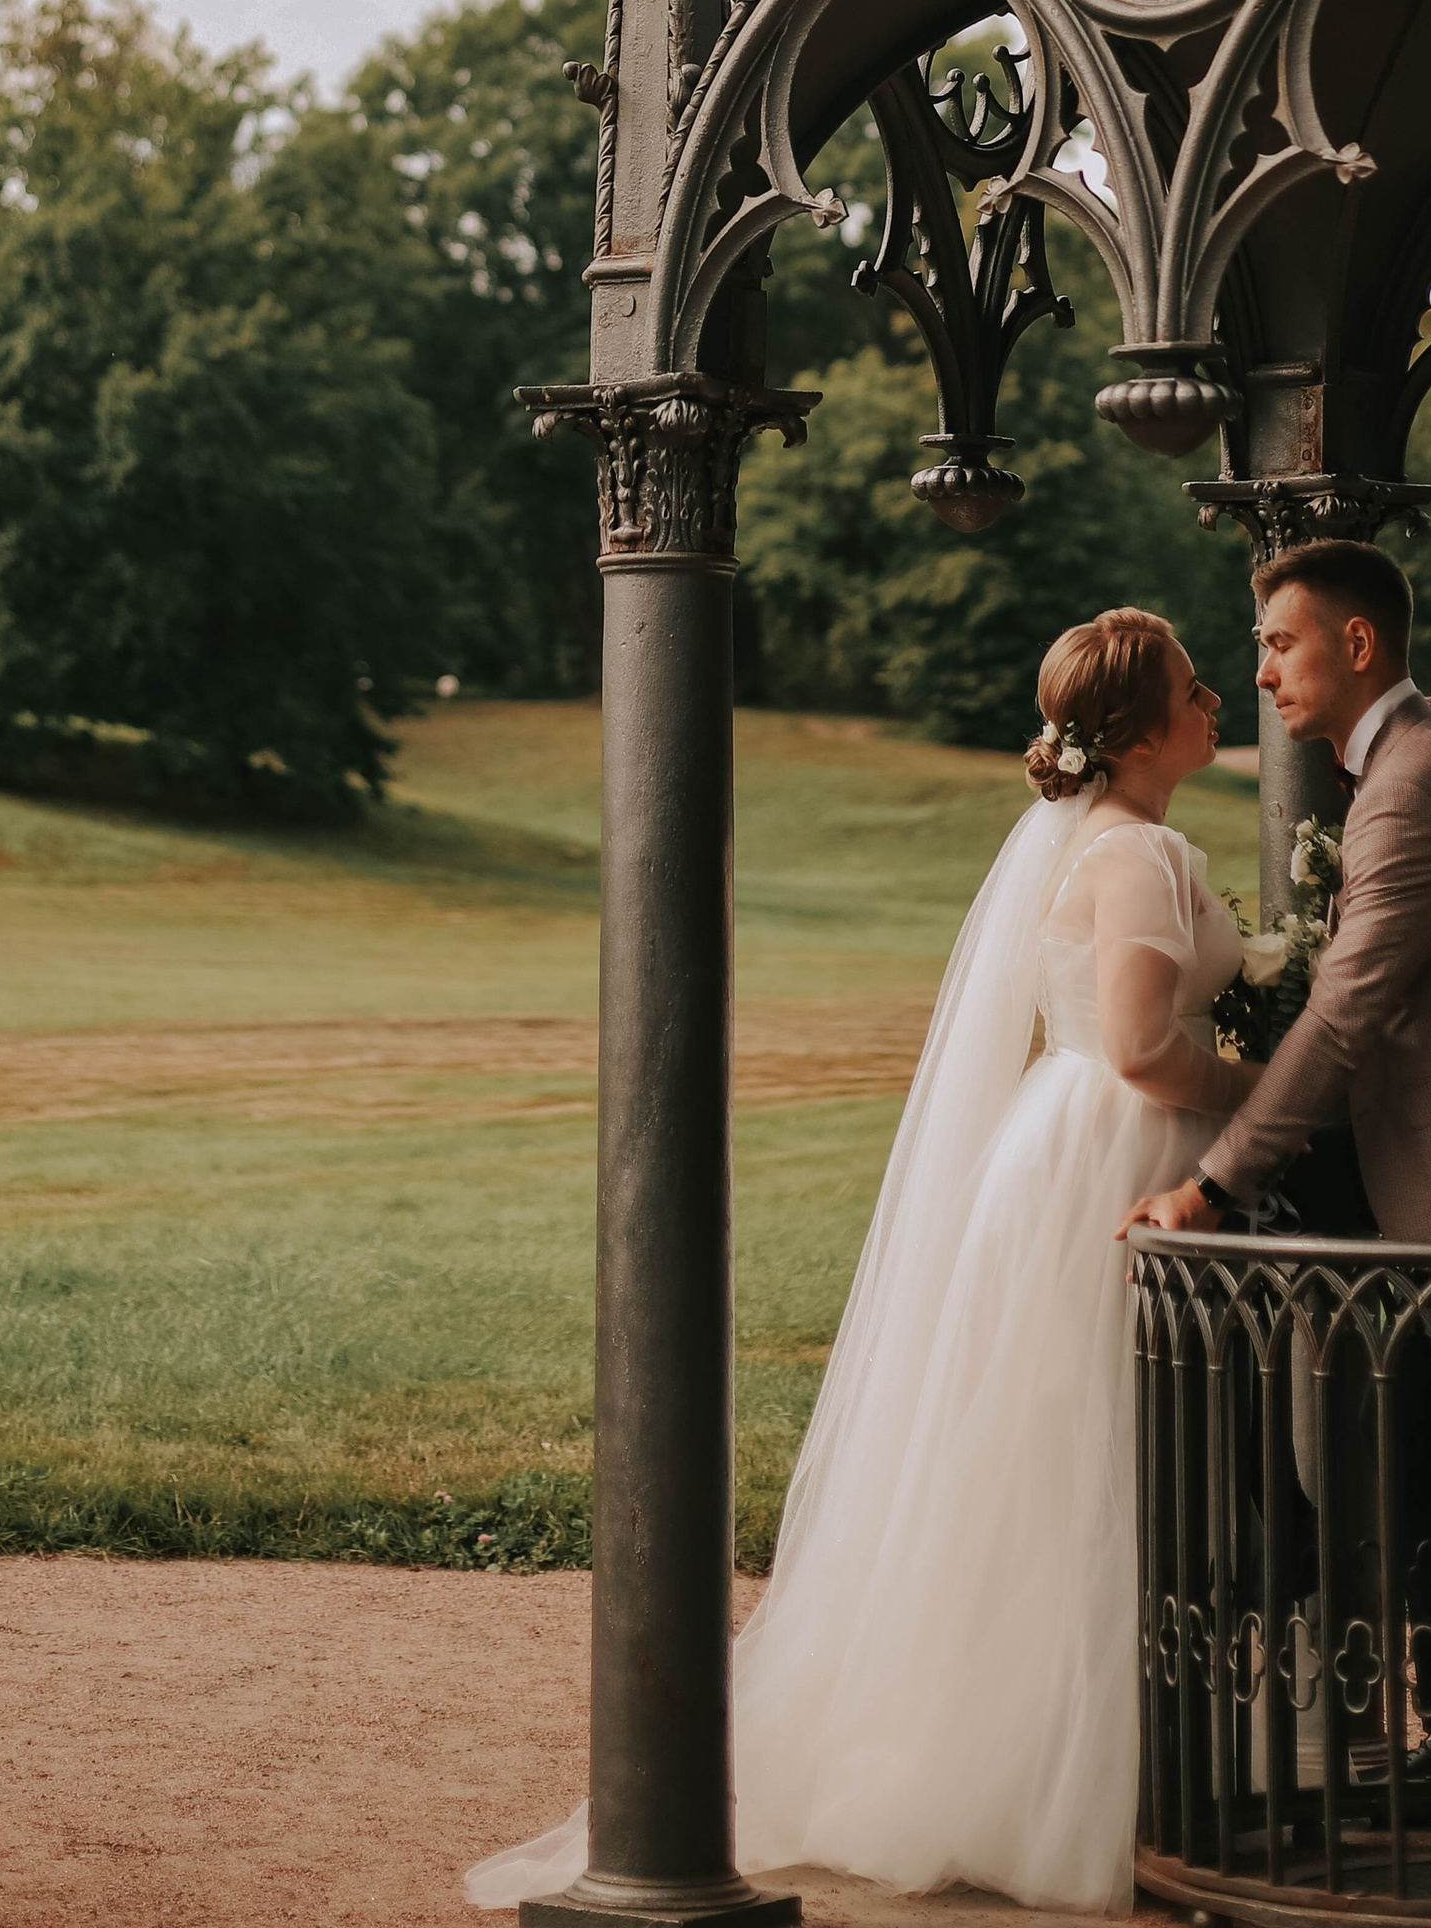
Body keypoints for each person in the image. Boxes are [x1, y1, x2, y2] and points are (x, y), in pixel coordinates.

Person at [469, 607, 1251, 1918]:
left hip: (1067, 1146)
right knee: (1087, 1458)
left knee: (1058, 1453)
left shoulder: (1106, 844)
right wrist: (1273, 1088)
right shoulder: (1138, 854)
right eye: (1192, 685)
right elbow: (1140, 1051)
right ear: (1134, 732)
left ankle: (1076, 1762)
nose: (1215, 699)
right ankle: (1061, 1781)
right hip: (1111, 1152)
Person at [1124, 535, 1431, 1787]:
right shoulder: (1423, 746)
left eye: (1278, 644)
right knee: (1411, 1443)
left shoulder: (1411, 786)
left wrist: (1212, 1184)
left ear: (1355, 643)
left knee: (1407, 1442)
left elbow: (1346, 1016)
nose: (1260, 674)